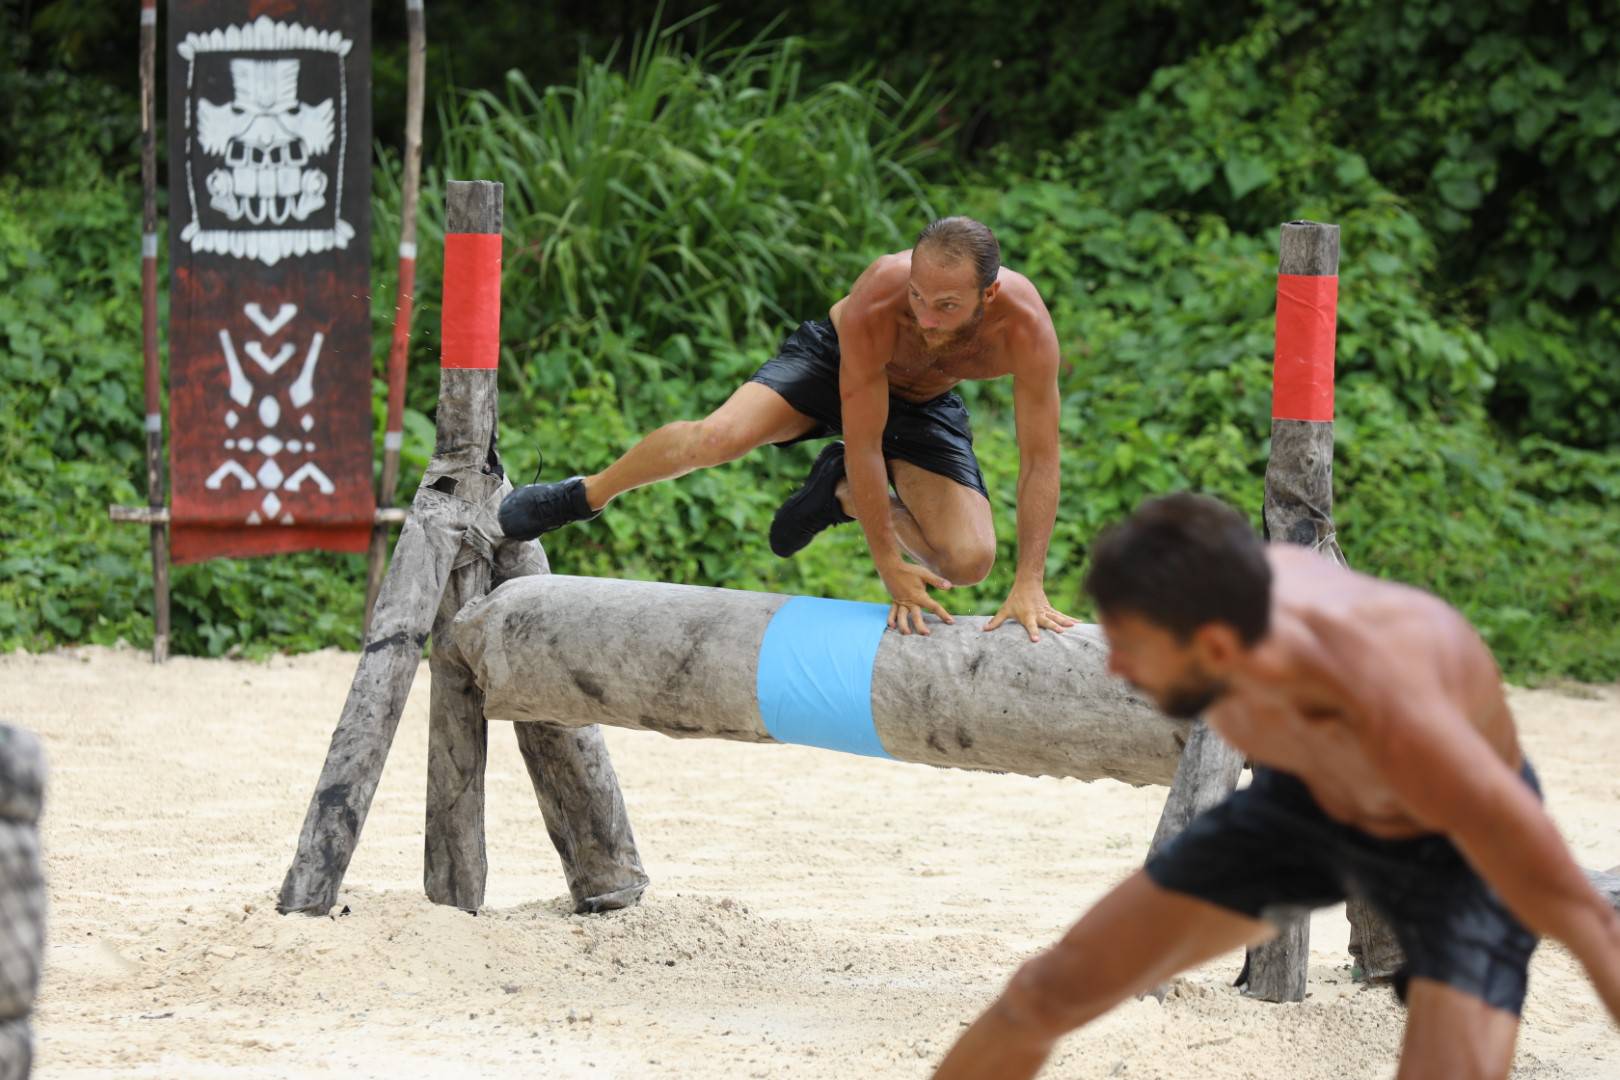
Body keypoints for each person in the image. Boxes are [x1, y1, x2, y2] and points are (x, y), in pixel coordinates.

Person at [934, 492, 1620, 1079]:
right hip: (1307, 800)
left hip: (1451, 844)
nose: (1114, 668)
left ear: (1218, 649)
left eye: (1132, 649)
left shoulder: (1402, 710)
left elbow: (1589, 922)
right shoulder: (1235, 604)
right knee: (1044, 993)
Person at [498, 217, 1076, 641]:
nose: (924, 318)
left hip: (926, 403)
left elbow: (1039, 462)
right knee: (716, 439)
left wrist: (1029, 581)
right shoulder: (880, 295)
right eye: (918, 296)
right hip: (835, 366)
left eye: (946, 306)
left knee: (970, 561)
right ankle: (584, 493)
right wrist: (887, 565)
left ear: (989, 293)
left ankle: (837, 495)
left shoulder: (1026, 331)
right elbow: (866, 441)